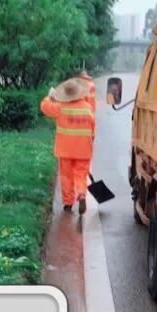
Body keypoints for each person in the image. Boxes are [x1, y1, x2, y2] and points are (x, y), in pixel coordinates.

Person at [40, 76, 96, 213]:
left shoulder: (61, 107)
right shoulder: (88, 108)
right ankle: (81, 194)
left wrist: (50, 97)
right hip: (83, 150)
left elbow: (45, 108)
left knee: (66, 177)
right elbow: (92, 130)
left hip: (65, 150)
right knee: (81, 175)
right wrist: (89, 142)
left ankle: (68, 203)